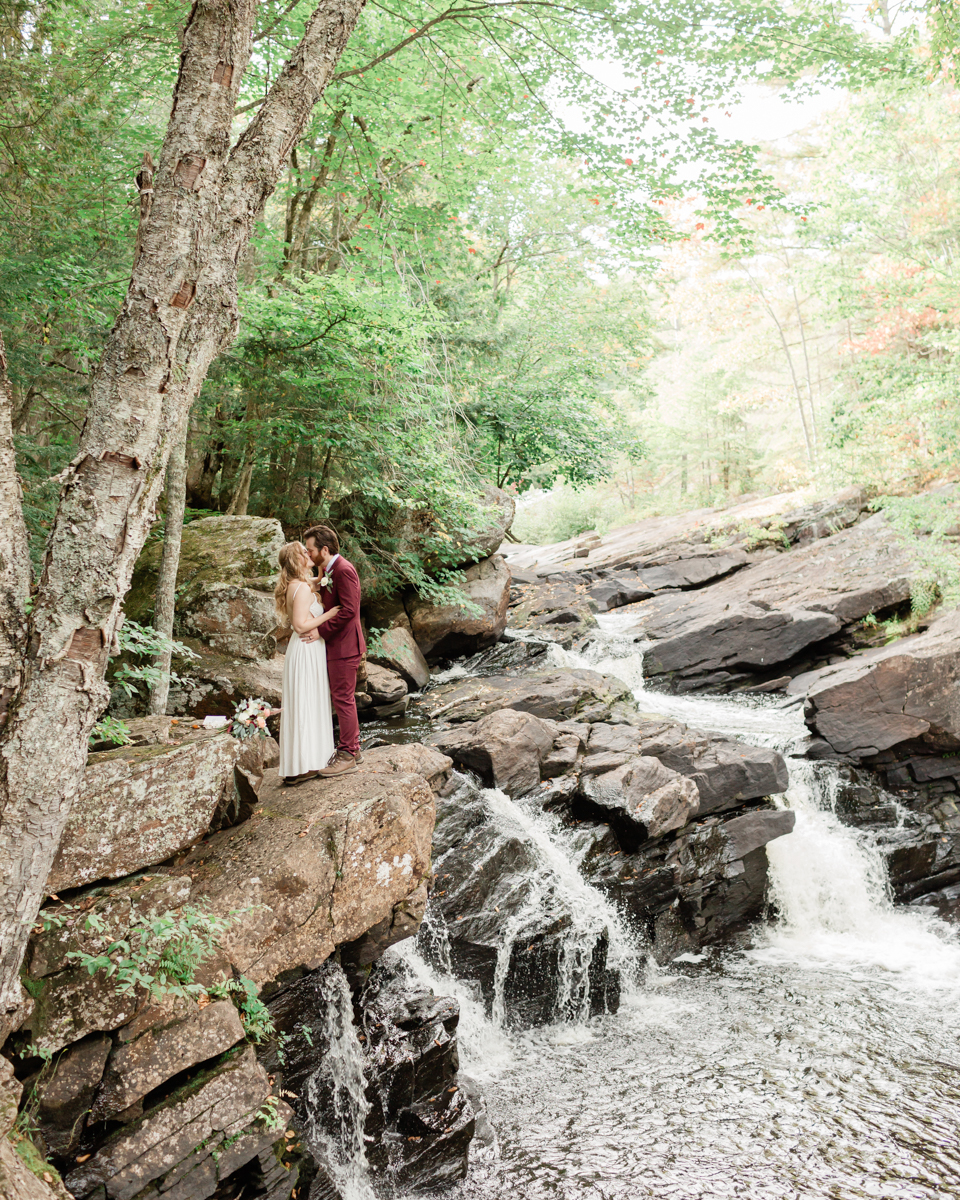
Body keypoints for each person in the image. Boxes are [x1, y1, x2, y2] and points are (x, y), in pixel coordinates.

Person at [300, 524, 366, 777]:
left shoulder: (344, 570)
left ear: (324, 550)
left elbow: (349, 610)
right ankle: (354, 748)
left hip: (345, 646)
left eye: (310, 550)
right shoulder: (328, 569)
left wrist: (321, 631)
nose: (308, 554)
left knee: (342, 699)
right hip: (336, 645)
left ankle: (348, 753)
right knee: (341, 697)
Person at [274, 541, 341, 786]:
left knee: (308, 702)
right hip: (305, 648)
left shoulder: (299, 584)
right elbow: (300, 625)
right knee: (306, 703)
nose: (308, 553)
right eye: (304, 552)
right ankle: (304, 765)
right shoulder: (300, 588)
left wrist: (322, 573)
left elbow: (315, 581)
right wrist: (330, 615)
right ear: (296, 560)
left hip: (305, 649)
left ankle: (305, 762)